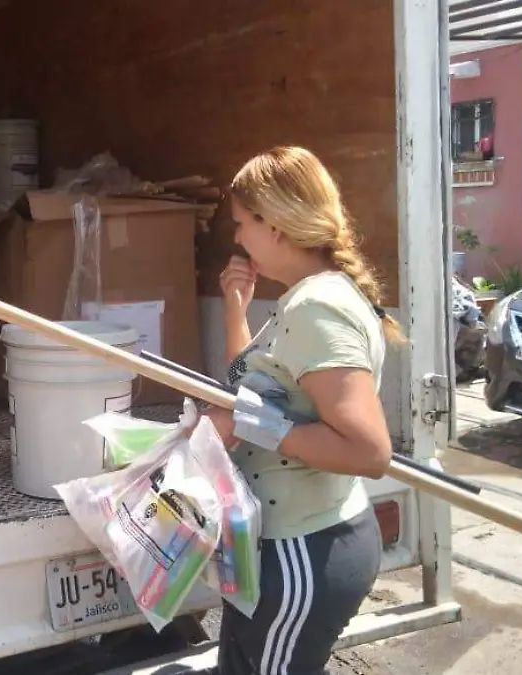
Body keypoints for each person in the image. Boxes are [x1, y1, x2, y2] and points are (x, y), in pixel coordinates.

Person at [202, 147, 397, 674]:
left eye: (242, 223)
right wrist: (236, 311)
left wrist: (249, 422)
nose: (238, 237)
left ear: (275, 224)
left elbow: (368, 451)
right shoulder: (305, 299)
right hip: (282, 544)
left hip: (302, 551)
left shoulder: (317, 308)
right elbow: (254, 387)